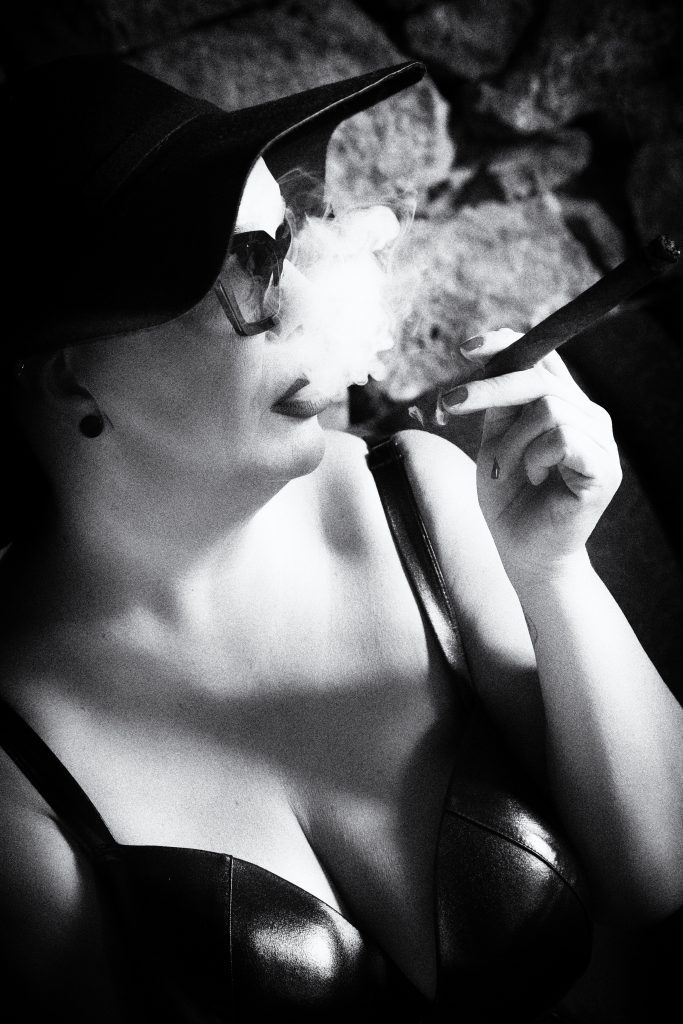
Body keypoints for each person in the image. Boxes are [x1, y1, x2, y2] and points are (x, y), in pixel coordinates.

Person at [0, 54, 680, 1024]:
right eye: (247, 270)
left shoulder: (413, 499)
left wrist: (554, 571)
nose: (307, 304)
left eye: (290, 242)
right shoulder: (16, 765)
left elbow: (657, 870)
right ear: (74, 375)